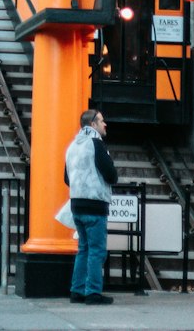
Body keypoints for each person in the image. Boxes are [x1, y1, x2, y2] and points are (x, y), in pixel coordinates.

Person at [63, 107, 118, 307]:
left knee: (83, 249)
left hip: (77, 204)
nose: (105, 124)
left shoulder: (72, 147)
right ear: (93, 124)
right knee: (96, 251)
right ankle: (93, 292)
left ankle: (76, 290)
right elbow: (110, 174)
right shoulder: (96, 144)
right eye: (102, 121)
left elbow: (67, 178)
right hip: (95, 204)